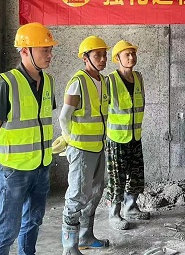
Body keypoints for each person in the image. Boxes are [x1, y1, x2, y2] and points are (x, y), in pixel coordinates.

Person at [0, 22, 58, 255]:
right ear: (25, 51)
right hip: (13, 172)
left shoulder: (48, 82)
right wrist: (8, 161)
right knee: (8, 229)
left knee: (33, 222)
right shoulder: (6, 83)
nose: (50, 55)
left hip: (41, 168)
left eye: (50, 49)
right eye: (44, 50)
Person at [59, 36, 110, 254]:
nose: (103, 59)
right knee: (76, 196)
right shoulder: (78, 82)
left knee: (95, 193)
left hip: (98, 147)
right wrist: (70, 139)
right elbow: (64, 117)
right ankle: (69, 247)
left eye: (104, 55)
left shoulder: (103, 81)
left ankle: (85, 237)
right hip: (81, 149)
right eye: (98, 55)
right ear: (85, 57)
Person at [105, 40, 150, 231]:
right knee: (117, 179)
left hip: (134, 137)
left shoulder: (138, 78)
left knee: (136, 176)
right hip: (116, 139)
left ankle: (131, 208)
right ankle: (114, 214)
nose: (131, 57)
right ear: (117, 58)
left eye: (133, 53)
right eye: (127, 54)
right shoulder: (110, 81)